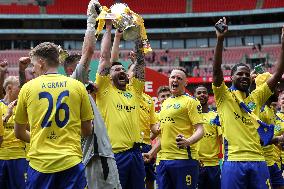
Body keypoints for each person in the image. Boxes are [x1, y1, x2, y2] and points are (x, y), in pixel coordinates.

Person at [212, 17, 284, 189]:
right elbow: (216, 73)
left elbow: (277, 73)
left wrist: (283, 44)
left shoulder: (257, 97)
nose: (244, 76)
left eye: (246, 74)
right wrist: (220, 40)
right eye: (239, 74)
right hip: (233, 162)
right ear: (231, 78)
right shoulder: (224, 96)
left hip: (259, 161)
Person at [13, 42, 94, 189]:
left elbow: (18, 132)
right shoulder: (78, 86)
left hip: (40, 165)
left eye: (33, 65)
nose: (33, 69)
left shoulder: (28, 88)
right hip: (71, 163)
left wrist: (41, 136)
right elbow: (88, 130)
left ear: (41, 63)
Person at [95, 19, 147, 189]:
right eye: (116, 70)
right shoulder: (105, 91)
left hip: (136, 155)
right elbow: (104, 58)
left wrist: (139, 35)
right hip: (115, 155)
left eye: (123, 69)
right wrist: (108, 29)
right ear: (108, 77)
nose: (122, 71)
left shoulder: (134, 90)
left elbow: (140, 64)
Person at [111, 30, 159, 189]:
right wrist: (117, 37)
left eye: (126, 70)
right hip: (117, 151)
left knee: (146, 182)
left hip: (138, 149)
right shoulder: (109, 93)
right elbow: (112, 63)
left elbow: (140, 71)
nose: (124, 72)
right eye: (125, 70)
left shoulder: (139, 95)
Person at [156, 67, 204, 189]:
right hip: (163, 160)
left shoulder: (191, 102)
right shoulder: (165, 103)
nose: (175, 80)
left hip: (183, 160)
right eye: (172, 77)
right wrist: (152, 153)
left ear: (185, 83)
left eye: (179, 78)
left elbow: (200, 130)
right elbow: (163, 133)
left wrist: (188, 141)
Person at [256, 73, 284, 189]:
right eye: (276, 86)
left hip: (272, 161)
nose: (279, 90)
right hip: (261, 163)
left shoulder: (270, 109)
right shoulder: (259, 111)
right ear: (267, 88)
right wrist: (279, 139)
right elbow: (257, 140)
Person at [0, 76, 27, 189]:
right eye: (19, 87)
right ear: (9, 88)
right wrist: (7, 116)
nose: (21, 89)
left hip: (19, 157)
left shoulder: (22, 107)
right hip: (1, 157)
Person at [194, 85, 222, 189]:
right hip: (196, 163)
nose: (202, 95)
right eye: (199, 93)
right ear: (195, 96)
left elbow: (222, 139)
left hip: (213, 165)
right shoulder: (191, 117)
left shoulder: (215, 116)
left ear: (208, 96)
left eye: (204, 92)